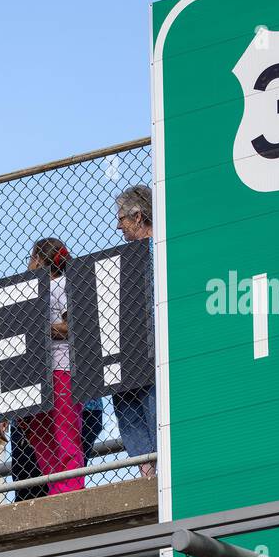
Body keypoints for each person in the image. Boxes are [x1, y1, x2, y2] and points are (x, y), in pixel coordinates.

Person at [12, 239, 86, 496]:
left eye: (32, 257)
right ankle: (57, 488)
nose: (29, 263)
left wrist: (39, 330)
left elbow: (73, 325)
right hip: (34, 371)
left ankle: (72, 488)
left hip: (61, 366)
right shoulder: (26, 290)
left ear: (40, 259)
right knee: (39, 435)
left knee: (64, 430)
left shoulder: (61, 285)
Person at [113, 184, 157, 477]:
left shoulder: (162, 249)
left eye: (122, 218)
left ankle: (161, 462)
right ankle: (145, 465)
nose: (118, 225)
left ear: (139, 216)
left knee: (155, 404)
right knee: (124, 399)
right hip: (127, 348)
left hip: (154, 345)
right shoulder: (120, 261)